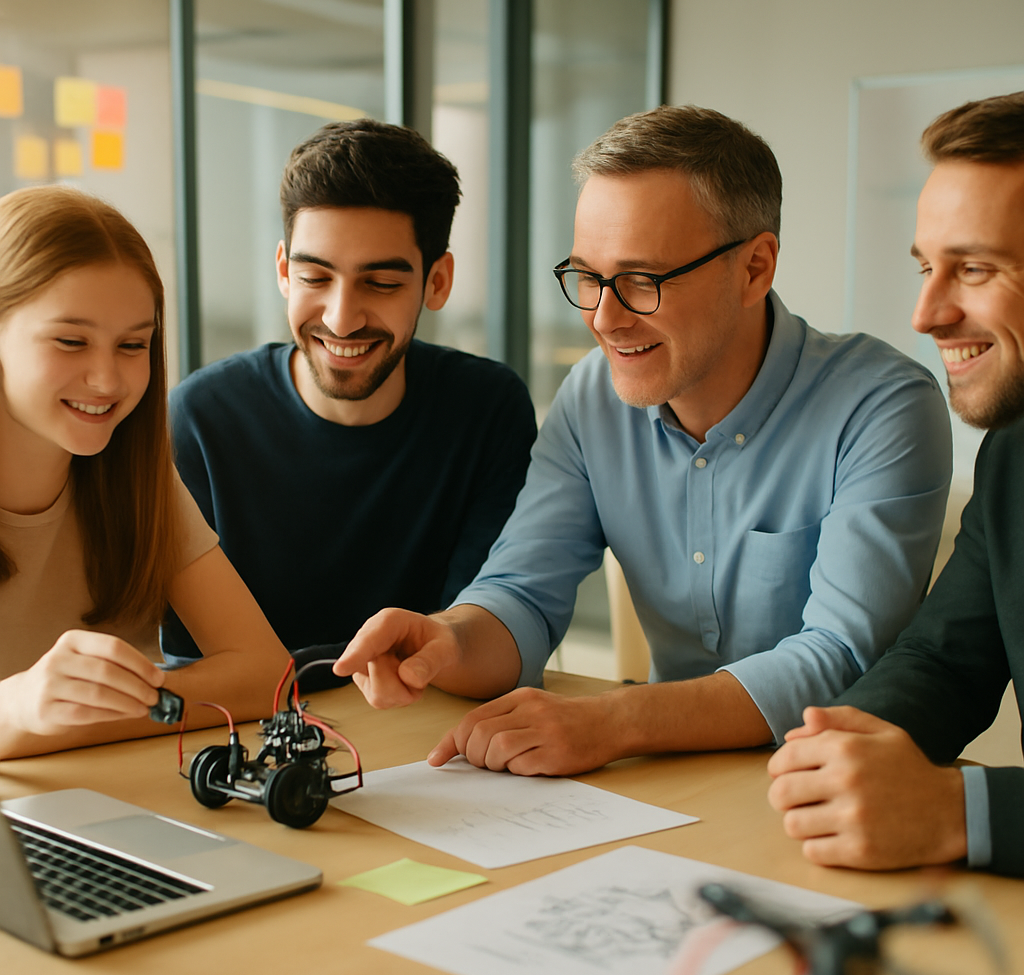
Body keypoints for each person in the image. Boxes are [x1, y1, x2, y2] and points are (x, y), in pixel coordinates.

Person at [334, 105, 953, 775]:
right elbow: (524, 594)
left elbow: (841, 657)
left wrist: (617, 720)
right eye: (588, 278)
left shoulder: (883, 405)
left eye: (641, 281)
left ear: (755, 268)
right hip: (667, 782)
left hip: (834, 783)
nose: (604, 318)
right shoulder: (591, 397)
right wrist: (447, 641)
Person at [161, 120, 536, 683]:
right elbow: (194, 666)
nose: (341, 318)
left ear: (436, 282)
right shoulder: (203, 417)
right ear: (285, 270)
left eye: (380, 284)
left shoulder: (487, 410)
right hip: (256, 734)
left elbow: (483, 628)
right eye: (316, 276)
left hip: (426, 729)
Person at [767, 91, 1024, 878]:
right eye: (926, 267)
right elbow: (946, 660)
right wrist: (840, 745)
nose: (925, 312)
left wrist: (962, 814)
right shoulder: (1013, 457)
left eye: (973, 268)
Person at [0, 186, 289, 759]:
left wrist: (52, 723)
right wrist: (15, 712)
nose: (107, 380)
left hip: (107, 808)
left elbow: (268, 679)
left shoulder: (137, 478)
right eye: (71, 341)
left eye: (133, 345)